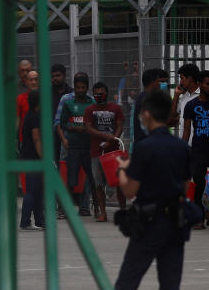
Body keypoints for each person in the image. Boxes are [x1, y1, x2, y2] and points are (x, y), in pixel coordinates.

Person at [113, 90, 191, 290]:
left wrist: (122, 171)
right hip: (175, 222)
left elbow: (130, 191)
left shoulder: (144, 147)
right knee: (170, 287)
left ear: (146, 114)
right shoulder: (182, 147)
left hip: (148, 223)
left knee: (127, 282)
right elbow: (185, 186)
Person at [182, 70, 209, 228]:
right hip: (198, 150)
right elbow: (186, 130)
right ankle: (199, 218)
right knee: (199, 184)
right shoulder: (191, 105)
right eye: (207, 84)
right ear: (199, 84)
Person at [84, 81, 126, 222]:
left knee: (119, 183)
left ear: (106, 93)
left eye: (100, 94)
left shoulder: (116, 108)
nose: (98, 96)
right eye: (95, 94)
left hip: (113, 152)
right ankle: (103, 213)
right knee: (99, 184)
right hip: (96, 152)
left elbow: (120, 125)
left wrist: (113, 139)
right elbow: (88, 128)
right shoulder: (90, 110)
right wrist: (107, 137)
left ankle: (123, 211)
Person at [58, 72, 94, 216]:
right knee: (71, 179)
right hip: (73, 147)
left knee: (92, 178)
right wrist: (75, 129)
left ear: (87, 87)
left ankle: (91, 208)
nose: (80, 90)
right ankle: (66, 208)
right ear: (74, 87)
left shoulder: (91, 103)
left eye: (83, 87)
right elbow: (62, 123)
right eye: (78, 87)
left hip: (89, 147)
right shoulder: (68, 103)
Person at [19, 89, 46, 231]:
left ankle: (40, 220)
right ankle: (25, 221)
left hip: (29, 156)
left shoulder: (31, 115)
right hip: (32, 158)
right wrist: (43, 158)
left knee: (37, 190)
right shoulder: (34, 117)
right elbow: (36, 138)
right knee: (31, 190)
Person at [134, 68, 168, 145]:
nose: (164, 85)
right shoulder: (149, 99)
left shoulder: (142, 97)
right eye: (161, 81)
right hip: (148, 144)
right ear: (153, 82)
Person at [171, 63, 201, 139]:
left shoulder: (203, 95)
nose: (180, 82)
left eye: (182, 78)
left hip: (199, 145)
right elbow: (173, 115)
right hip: (185, 145)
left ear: (190, 78)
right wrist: (176, 95)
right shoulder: (184, 97)